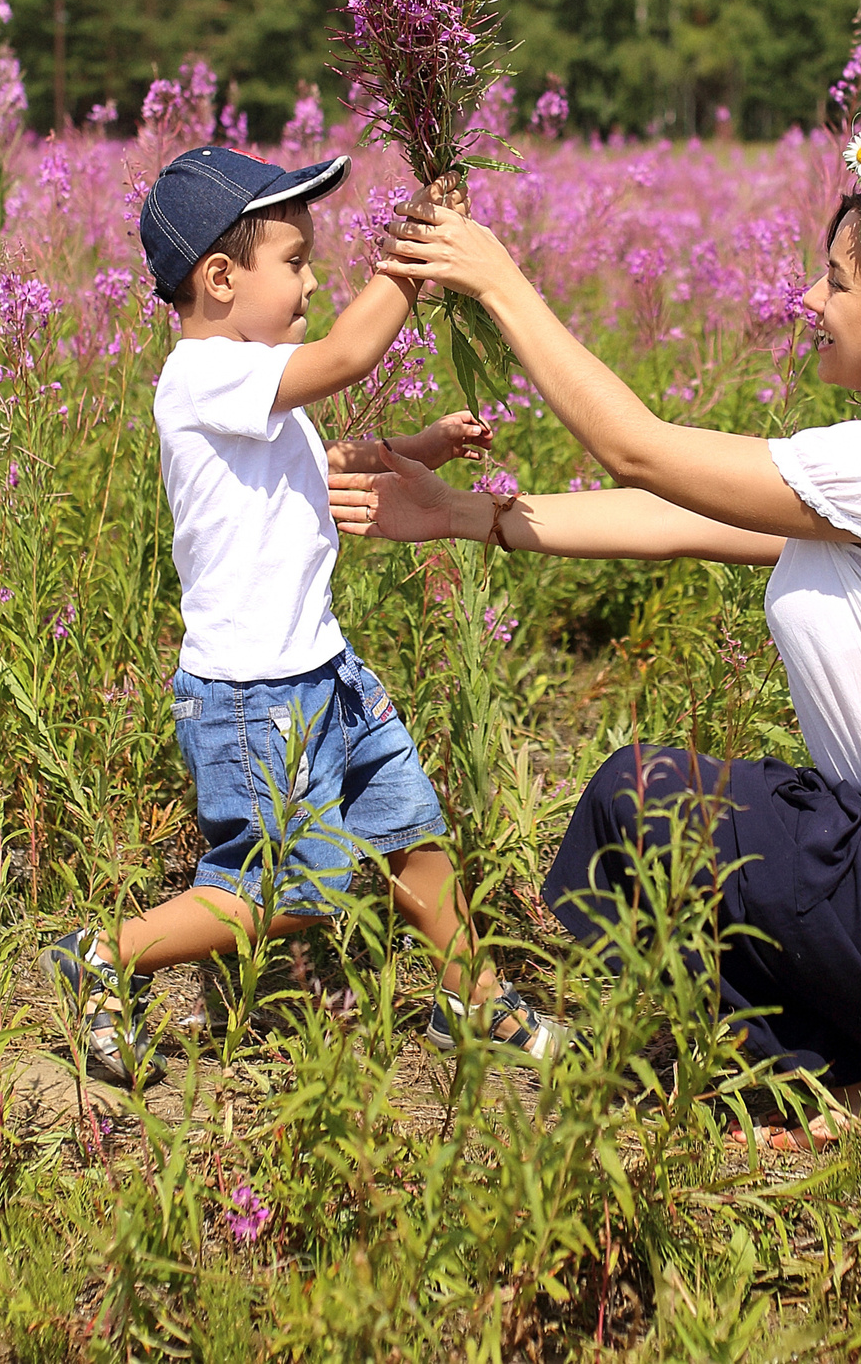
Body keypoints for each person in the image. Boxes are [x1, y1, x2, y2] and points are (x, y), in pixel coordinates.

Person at [334, 102, 861, 1145]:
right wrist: (463, 516)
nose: (808, 297)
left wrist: (498, 282)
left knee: (630, 800)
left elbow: (639, 453)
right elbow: (677, 516)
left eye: (836, 280)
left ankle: (777, 1086)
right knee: (735, 817)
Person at [40, 146, 570, 1085]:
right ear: (218, 277)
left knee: (412, 828)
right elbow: (348, 354)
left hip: (325, 670)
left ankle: (471, 998)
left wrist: (420, 444)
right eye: (293, 260)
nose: (311, 279)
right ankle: (105, 954)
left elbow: (310, 473)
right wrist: (417, 251)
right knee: (287, 889)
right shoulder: (201, 375)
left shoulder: (252, 377)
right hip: (254, 694)